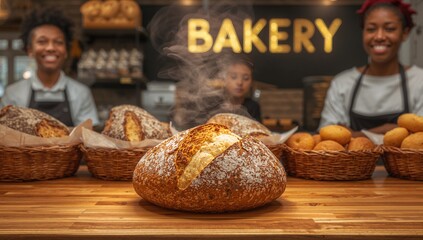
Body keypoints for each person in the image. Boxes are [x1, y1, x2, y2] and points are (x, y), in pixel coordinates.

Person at [319, 0, 423, 136]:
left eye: (390, 28)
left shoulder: (419, 81)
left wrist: (355, 135)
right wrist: (387, 130)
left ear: (405, 33)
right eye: (371, 29)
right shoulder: (342, 83)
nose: (379, 36)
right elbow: (329, 136)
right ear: (363, 33)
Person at [0, 7, 99, 127]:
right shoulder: (13, 94)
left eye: (58, 42)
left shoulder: (81, 93)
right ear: (30, 50)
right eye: (42, 42)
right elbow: (6, 135)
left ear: (66, 51)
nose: (50, 48)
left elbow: (88, 136)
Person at [220, 54, 262, 122]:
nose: (239, 82)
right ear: (224, 80)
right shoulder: (213, 105)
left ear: (251, 82)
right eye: (234, 77)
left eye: (246, 78)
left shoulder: (253, 107)